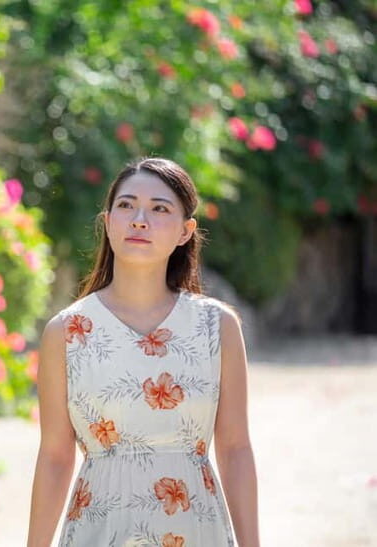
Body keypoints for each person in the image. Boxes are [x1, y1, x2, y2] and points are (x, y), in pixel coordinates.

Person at [27, 157, 259, 546]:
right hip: (99, 532)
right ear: (108, 221)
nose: (139, 219)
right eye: (126, 205)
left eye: (159, 209)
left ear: (186, 232)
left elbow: (235, 448)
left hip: (195, 530)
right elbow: (54, 456)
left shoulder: (216, 327)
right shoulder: (66, 332)